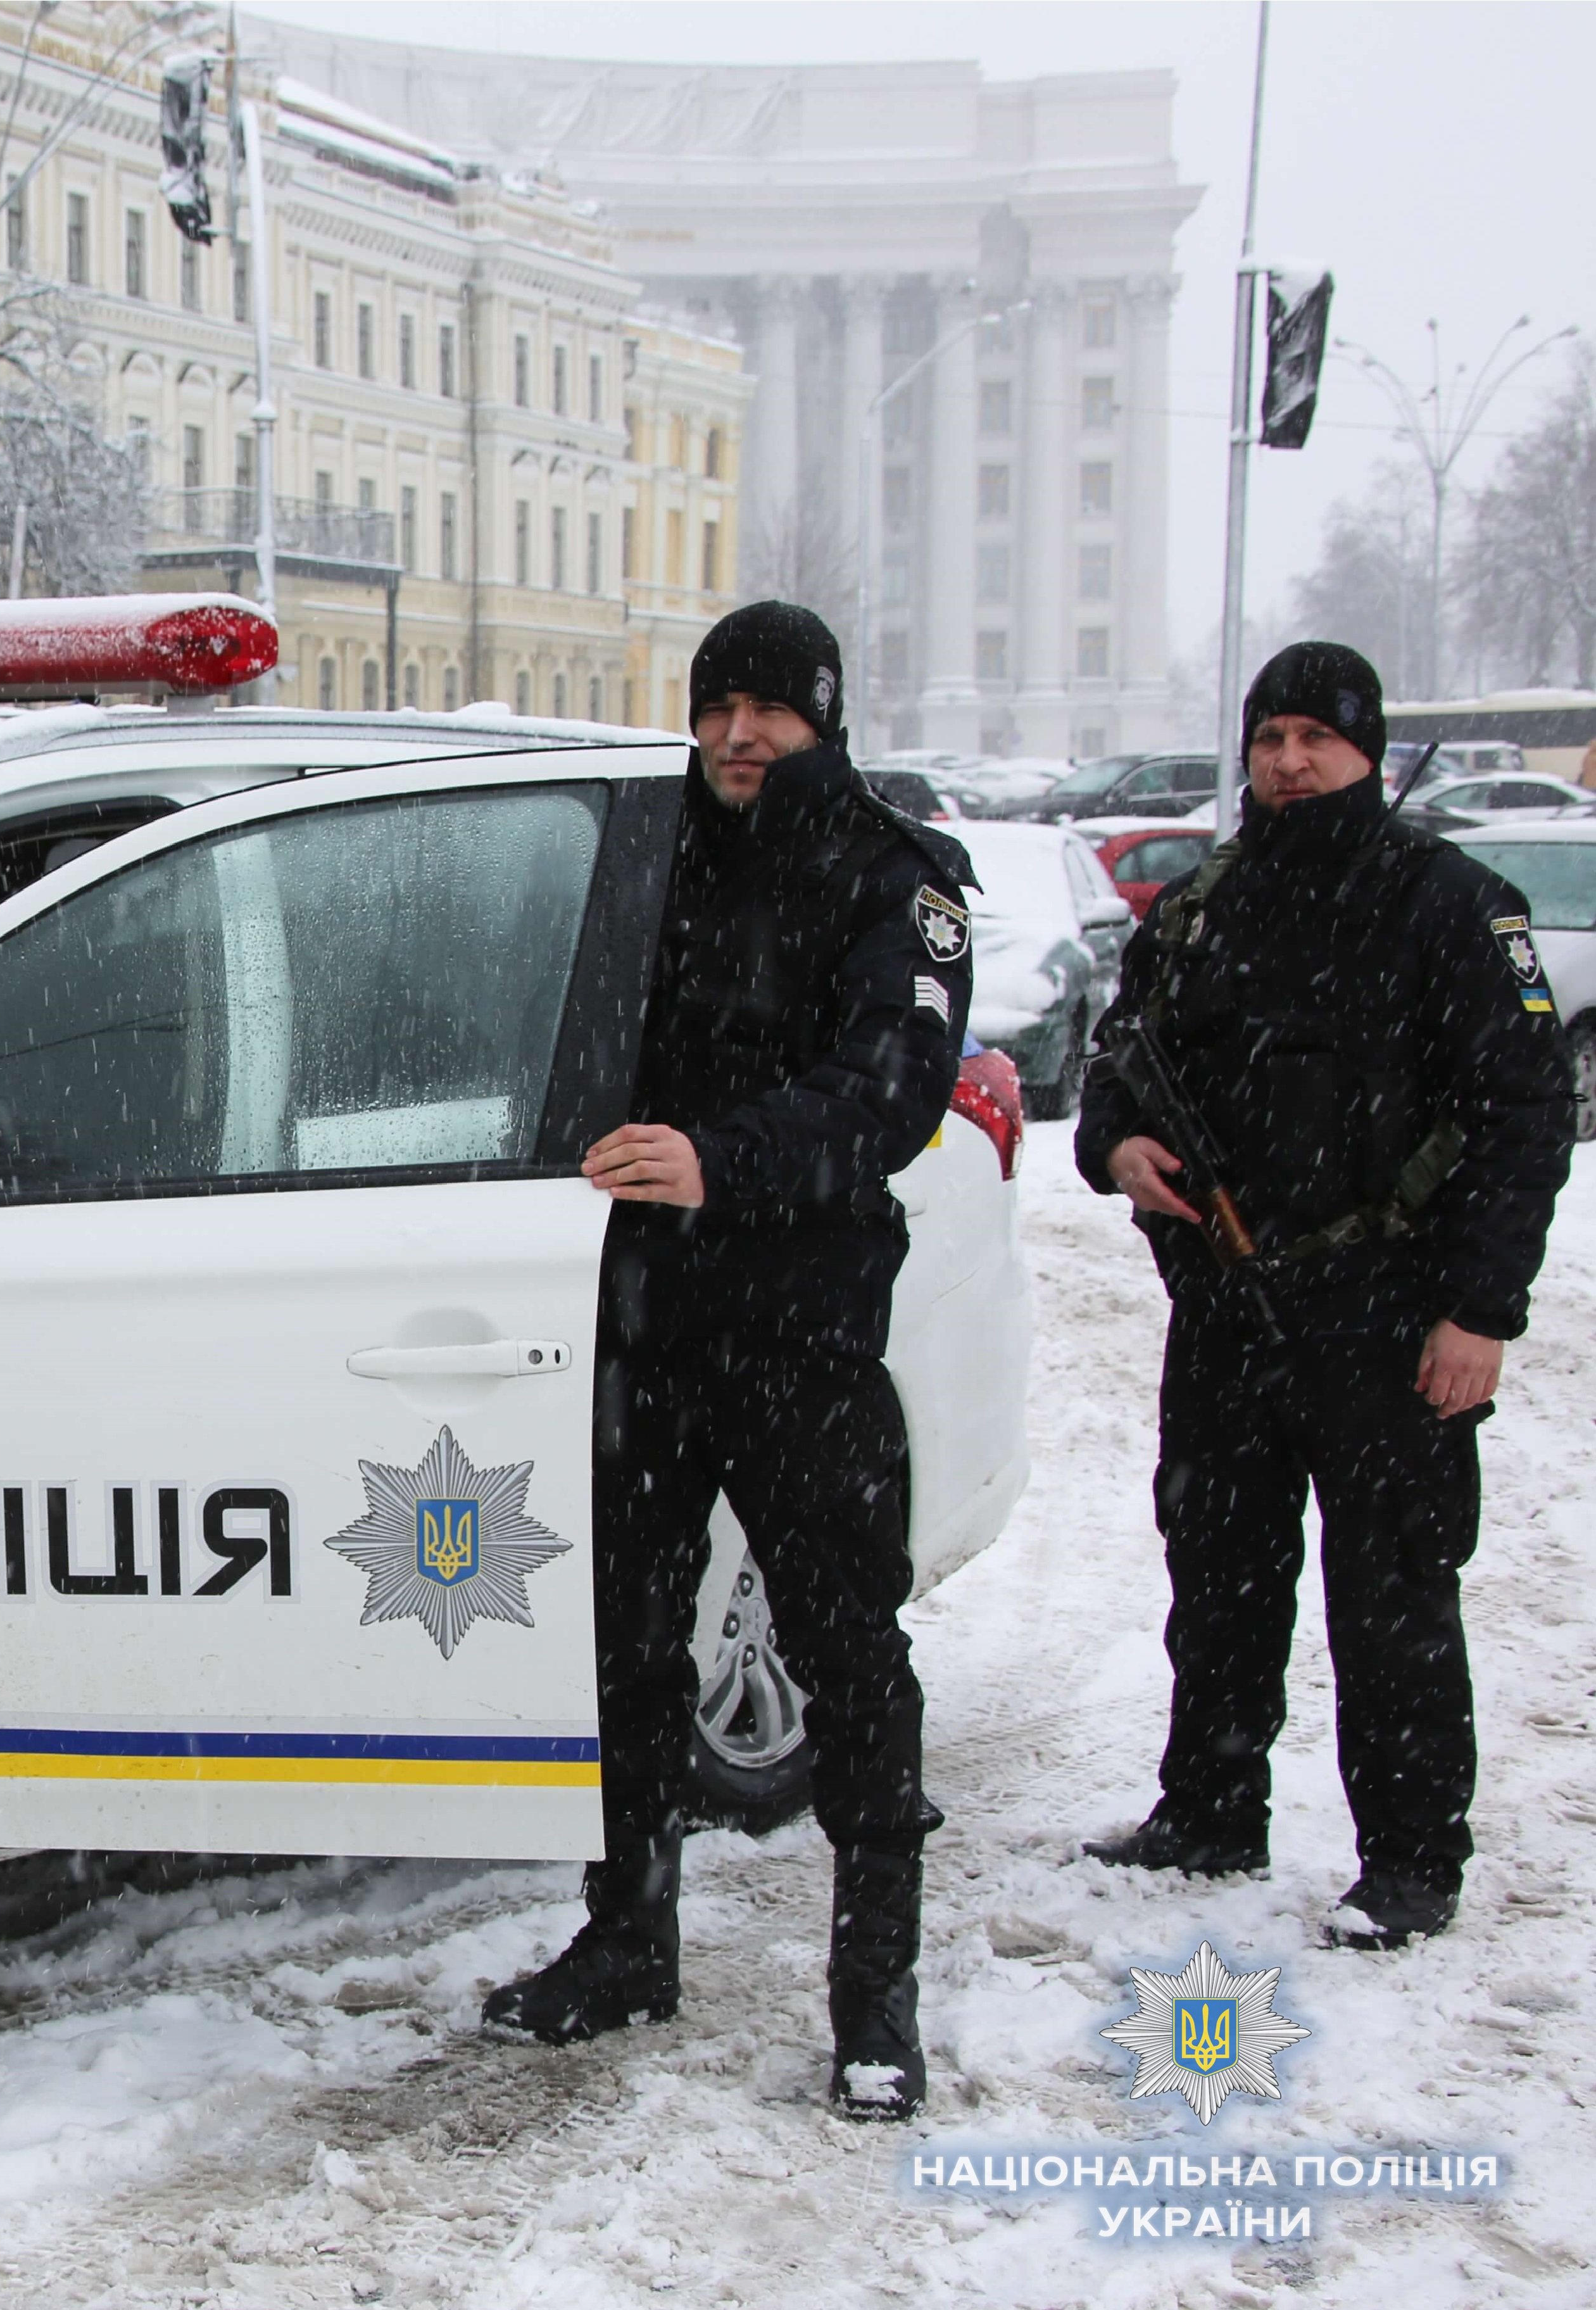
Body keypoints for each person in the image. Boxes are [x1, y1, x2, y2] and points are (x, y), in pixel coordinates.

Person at [479, 600, 974, 2124]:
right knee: (627, 1650)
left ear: (824, 720)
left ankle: (874, 2003)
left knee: (850, 1664)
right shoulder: (646, 851)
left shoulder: (900, 877)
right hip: (647, 1329)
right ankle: (627, 1938)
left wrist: (721, 1161)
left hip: (803, 1333)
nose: (740, 735)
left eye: (770, 710)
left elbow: (888, 1092)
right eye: (718, 709)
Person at [1076, 641, 1571, 1950]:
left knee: (1394, 1600)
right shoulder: (1202, 909)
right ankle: (1211, 1811)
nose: (1290, 763)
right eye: (1270, 738)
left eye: (1318, 739)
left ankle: (1409, 1861)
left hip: (1394, 1322)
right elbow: (1119, 1068)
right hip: (1231, 1313)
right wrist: (1119, 1148)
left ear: (1369, 751)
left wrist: (1482, 1313)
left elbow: (1524, 1118)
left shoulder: (1454, 906)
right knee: (1222, 1578)